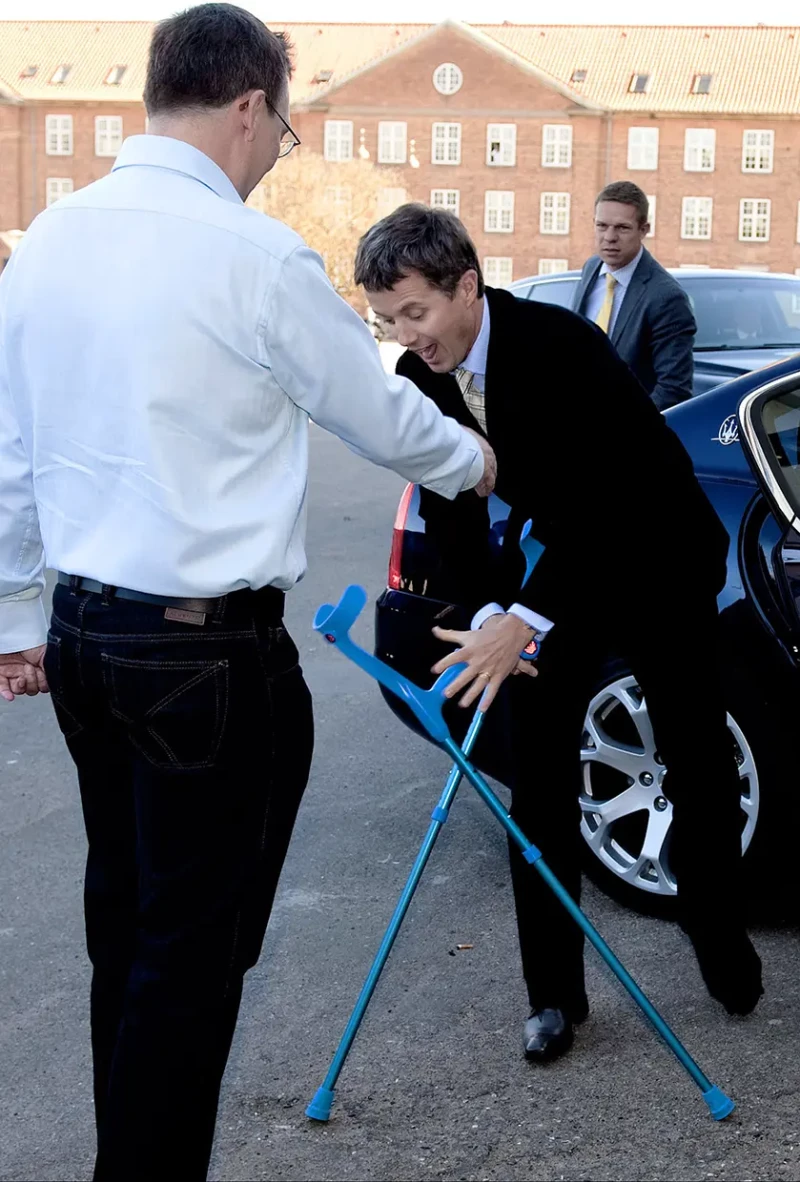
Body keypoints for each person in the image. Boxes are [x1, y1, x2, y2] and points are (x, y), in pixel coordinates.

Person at [0, 8, 496, 1179]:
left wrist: (18, 622)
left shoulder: (54, 239)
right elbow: (373, 411)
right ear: (245, 106)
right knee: (187, 954)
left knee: (126, 933)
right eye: (283, 122)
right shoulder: (253, 254)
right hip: (203, 661)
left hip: (85, 638)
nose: (282, 147)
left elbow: (12, 452)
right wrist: (476, 460)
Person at [355, 202, 763, 1067]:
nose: (407, 335)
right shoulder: (424, 376)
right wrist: (486, 621)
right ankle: (553, 997)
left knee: (693, 757)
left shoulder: (563, 348)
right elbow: (452, 511)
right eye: (389, 319)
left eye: (416, 313)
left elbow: (608, 503)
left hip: (654, 556)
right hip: (556, 576)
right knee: (535, 781)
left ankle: (718, 937)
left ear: (467, 285)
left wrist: (526, 617)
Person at [572, 181, 696, 410]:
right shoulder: (592, 268)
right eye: (602, 225)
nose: (609, 237)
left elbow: (673, 389)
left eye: (622, 228)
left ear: (644, 230)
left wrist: (626, 429)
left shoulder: (666, 297)